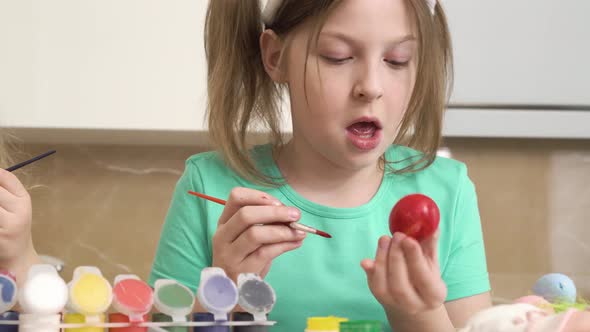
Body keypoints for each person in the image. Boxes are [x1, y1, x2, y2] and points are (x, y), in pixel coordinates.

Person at [150, 0, 491, 330]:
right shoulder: (209, 186)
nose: (371, 87)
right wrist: (225, 297)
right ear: (275, 57)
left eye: (397, 60)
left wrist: (418, 314)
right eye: (337, 57)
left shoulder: (449, 191)